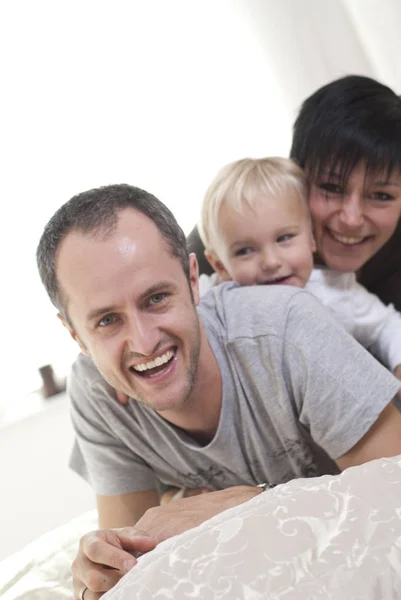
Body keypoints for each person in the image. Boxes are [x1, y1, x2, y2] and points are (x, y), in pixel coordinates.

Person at [36, 183, 401, 599]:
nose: (143, 341)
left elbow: (394, 488)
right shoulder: (97, 393)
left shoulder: (286, 330)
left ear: (193, 280)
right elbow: (131, 559)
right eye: (106, 321)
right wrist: (99, 570)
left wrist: (248, 502)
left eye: (156, 298)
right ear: (75, 336)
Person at [187, 75, 401, 309]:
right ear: (297, 173)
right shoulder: (232, 223)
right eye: (331, 187)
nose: (351, 219)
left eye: (381, 196)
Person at [197, 156, 401, 378]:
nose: (271, 262)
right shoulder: (212, 298)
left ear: (311, 238)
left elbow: (386, 326)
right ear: (220, 265)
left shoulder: (332, 291)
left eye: (284, 238)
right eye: (245, 251)